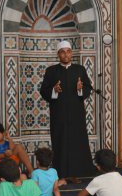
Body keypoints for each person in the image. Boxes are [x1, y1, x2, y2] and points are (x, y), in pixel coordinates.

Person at [40, 40, 94, 184]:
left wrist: (80, 89)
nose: (66, 54)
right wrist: (54, 90)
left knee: (77, 143)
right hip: (59, 114)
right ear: (58, 54)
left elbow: (88, 88)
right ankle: (61, 175)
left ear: (71, 53)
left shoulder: (79, 69)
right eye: (62, 52)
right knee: (60, 142)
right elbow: (43, 90)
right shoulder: (51, 71)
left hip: (77, 114)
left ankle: (75, 173)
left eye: (68, 51)